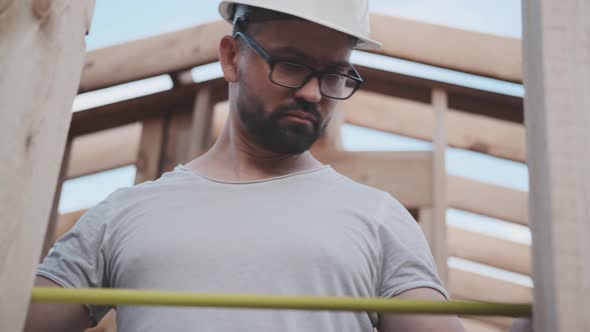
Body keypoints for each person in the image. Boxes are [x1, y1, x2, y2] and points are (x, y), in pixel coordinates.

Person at [25, 1, 468, 331]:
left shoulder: (378, 218)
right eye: (292, 65)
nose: (314, 93)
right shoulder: (122, 214)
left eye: (334, 74)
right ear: (232, 57)